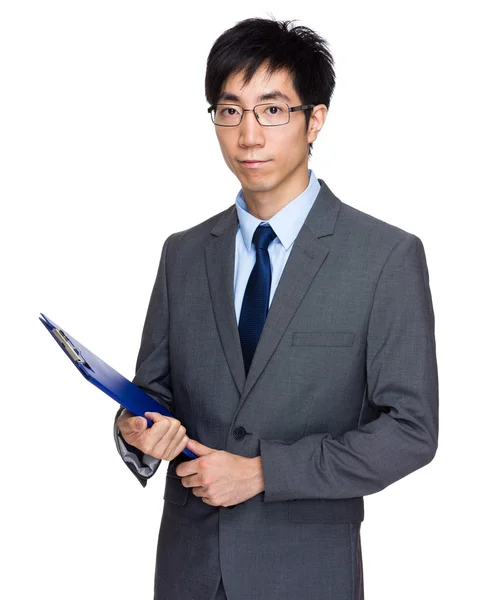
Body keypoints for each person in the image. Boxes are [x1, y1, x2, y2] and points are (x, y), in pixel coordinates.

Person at [114, 16, 439, 600]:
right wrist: (135, 429)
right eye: (229, 110)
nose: (248, 136)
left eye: (272, 110)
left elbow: (411, 431)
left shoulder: (385, 256)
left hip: (306, 574)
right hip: (188, 573)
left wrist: (264, 472)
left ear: (314, 120)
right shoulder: (183, 254)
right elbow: (154, 394)